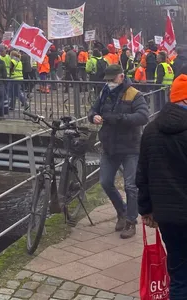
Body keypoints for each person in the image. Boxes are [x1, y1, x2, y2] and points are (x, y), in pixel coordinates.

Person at [136, 73, 187, 299]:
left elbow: (142, 175)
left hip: (167, 216)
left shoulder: (151, 129)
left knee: (178, 273)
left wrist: (145, 209)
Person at [88, 64, 149, 239]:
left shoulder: (134, 94)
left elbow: (143, 116)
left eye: (112, 79)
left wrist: (121, 118)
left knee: (131, 185)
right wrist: (94, 117)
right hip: (110, 145)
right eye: (107, 79)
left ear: (121, 77)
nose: (109, 82)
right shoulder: (104, 93)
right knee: (105, 182)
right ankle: (121, 211)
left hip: (130, 146)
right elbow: (92, 110)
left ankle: (131, 221)